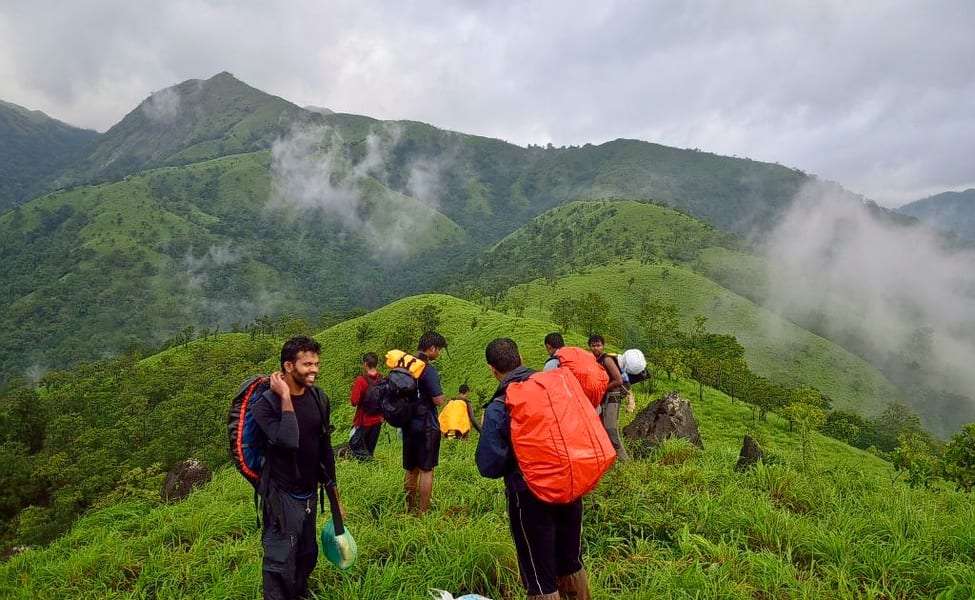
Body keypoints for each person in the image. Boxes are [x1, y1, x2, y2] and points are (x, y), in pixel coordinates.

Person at [476, 338, 592, 600]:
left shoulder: (500, 405)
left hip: (530, 496)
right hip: (570, 485)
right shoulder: (554, 387)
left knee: (540, 577)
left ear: (492, 369)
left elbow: (489, 465)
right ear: (521, 358)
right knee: (571, 561)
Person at [252, 336, 343, 600]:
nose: (314, 369)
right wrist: (285, 398)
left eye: (316, 363)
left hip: (309, 491)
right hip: (281, 493)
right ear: (288, 366)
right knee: (280, 560)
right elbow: (288, 440)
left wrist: (334, 494)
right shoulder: (265, 405)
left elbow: (325, 448)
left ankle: (300, 593)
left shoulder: (319, 398)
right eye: (307, 364)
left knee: (306, 553)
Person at [403, 331, 448, 514]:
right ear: (432, 348)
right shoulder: (427, 369)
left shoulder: (406, 365)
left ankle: (408, 507)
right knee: (426, 470)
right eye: (439, 350)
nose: (440, 354)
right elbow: (438, 400)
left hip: (408, 423)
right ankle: (422, 511)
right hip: (426, 424)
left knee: (411, 468)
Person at [588, 334, 634, 461]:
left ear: (603, 346)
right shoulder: (594, 360)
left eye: (598, 345)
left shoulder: (606, 359)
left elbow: (618, 380)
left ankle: (625, 460)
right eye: (593, 345)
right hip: (603, 398)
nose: (596, 348)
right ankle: (609, 457)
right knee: (602, 427)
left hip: (612, 396)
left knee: (611, 428)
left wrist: (602, 388)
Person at [348, 352, 384, 460]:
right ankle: (370, 466)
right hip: (378, 419)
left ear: (365, 364)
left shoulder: (361, 380)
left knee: (354, 445)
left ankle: (371, 463)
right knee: (369, 449)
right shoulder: (382, 379)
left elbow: (354, 401)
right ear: (377, 364)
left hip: (363, 420)